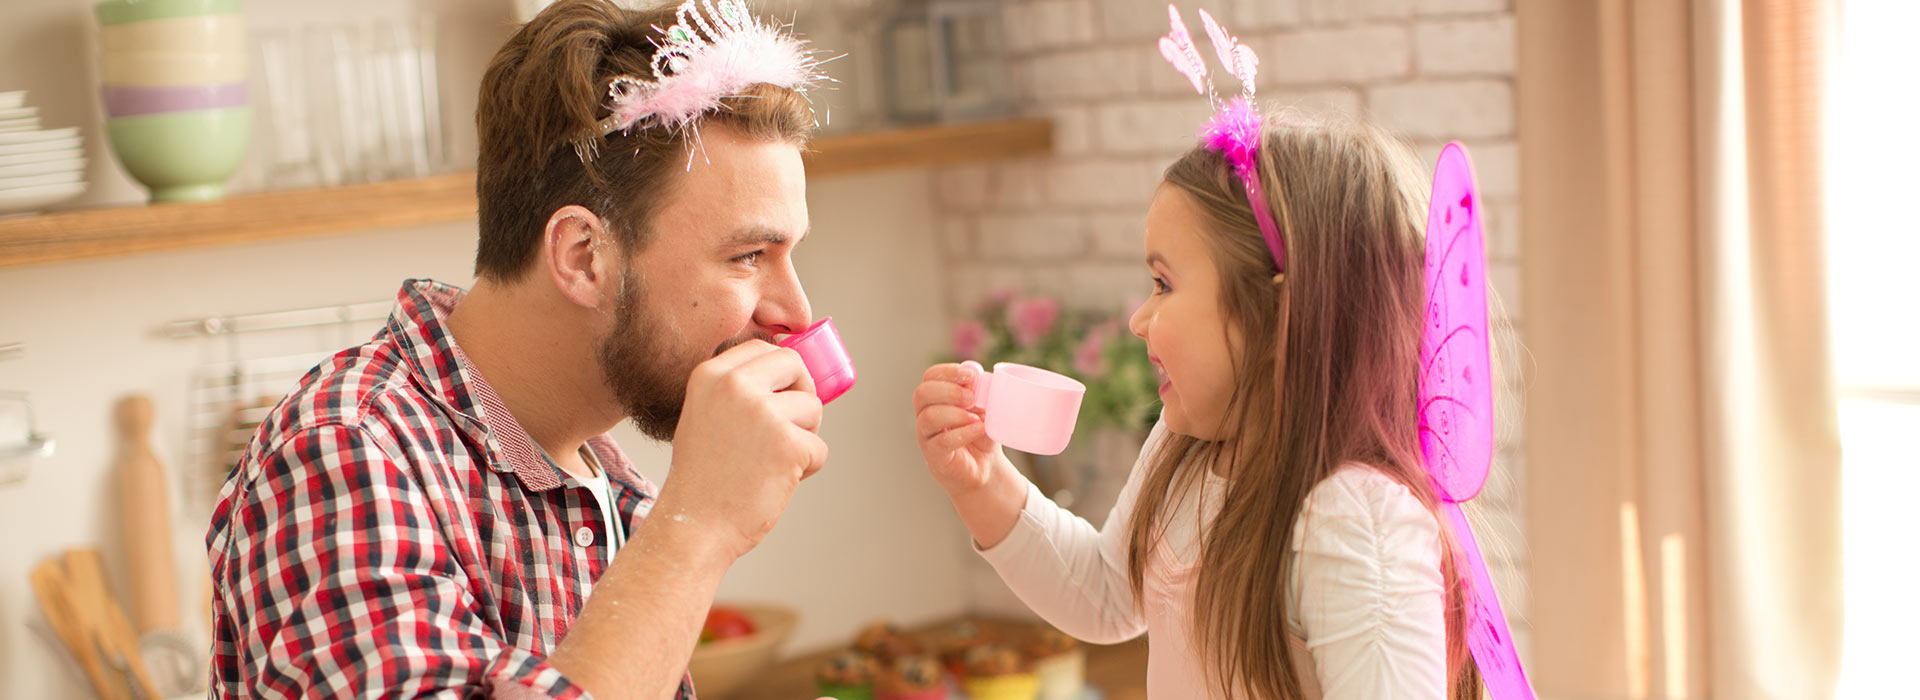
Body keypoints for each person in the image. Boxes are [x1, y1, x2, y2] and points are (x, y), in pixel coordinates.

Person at [206, 2, 831, 697]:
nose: (795, 312)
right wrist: (697, 528)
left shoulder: (610, 490)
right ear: (584, 256)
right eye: (748, 255)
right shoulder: (348, 452)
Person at [911, 113, 1487, 699]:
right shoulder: (1185, 444)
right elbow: (1108, 595)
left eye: (1163, 284)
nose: (1138, 319)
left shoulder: (1355, 521)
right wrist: (982, 485)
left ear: (1278, 317)